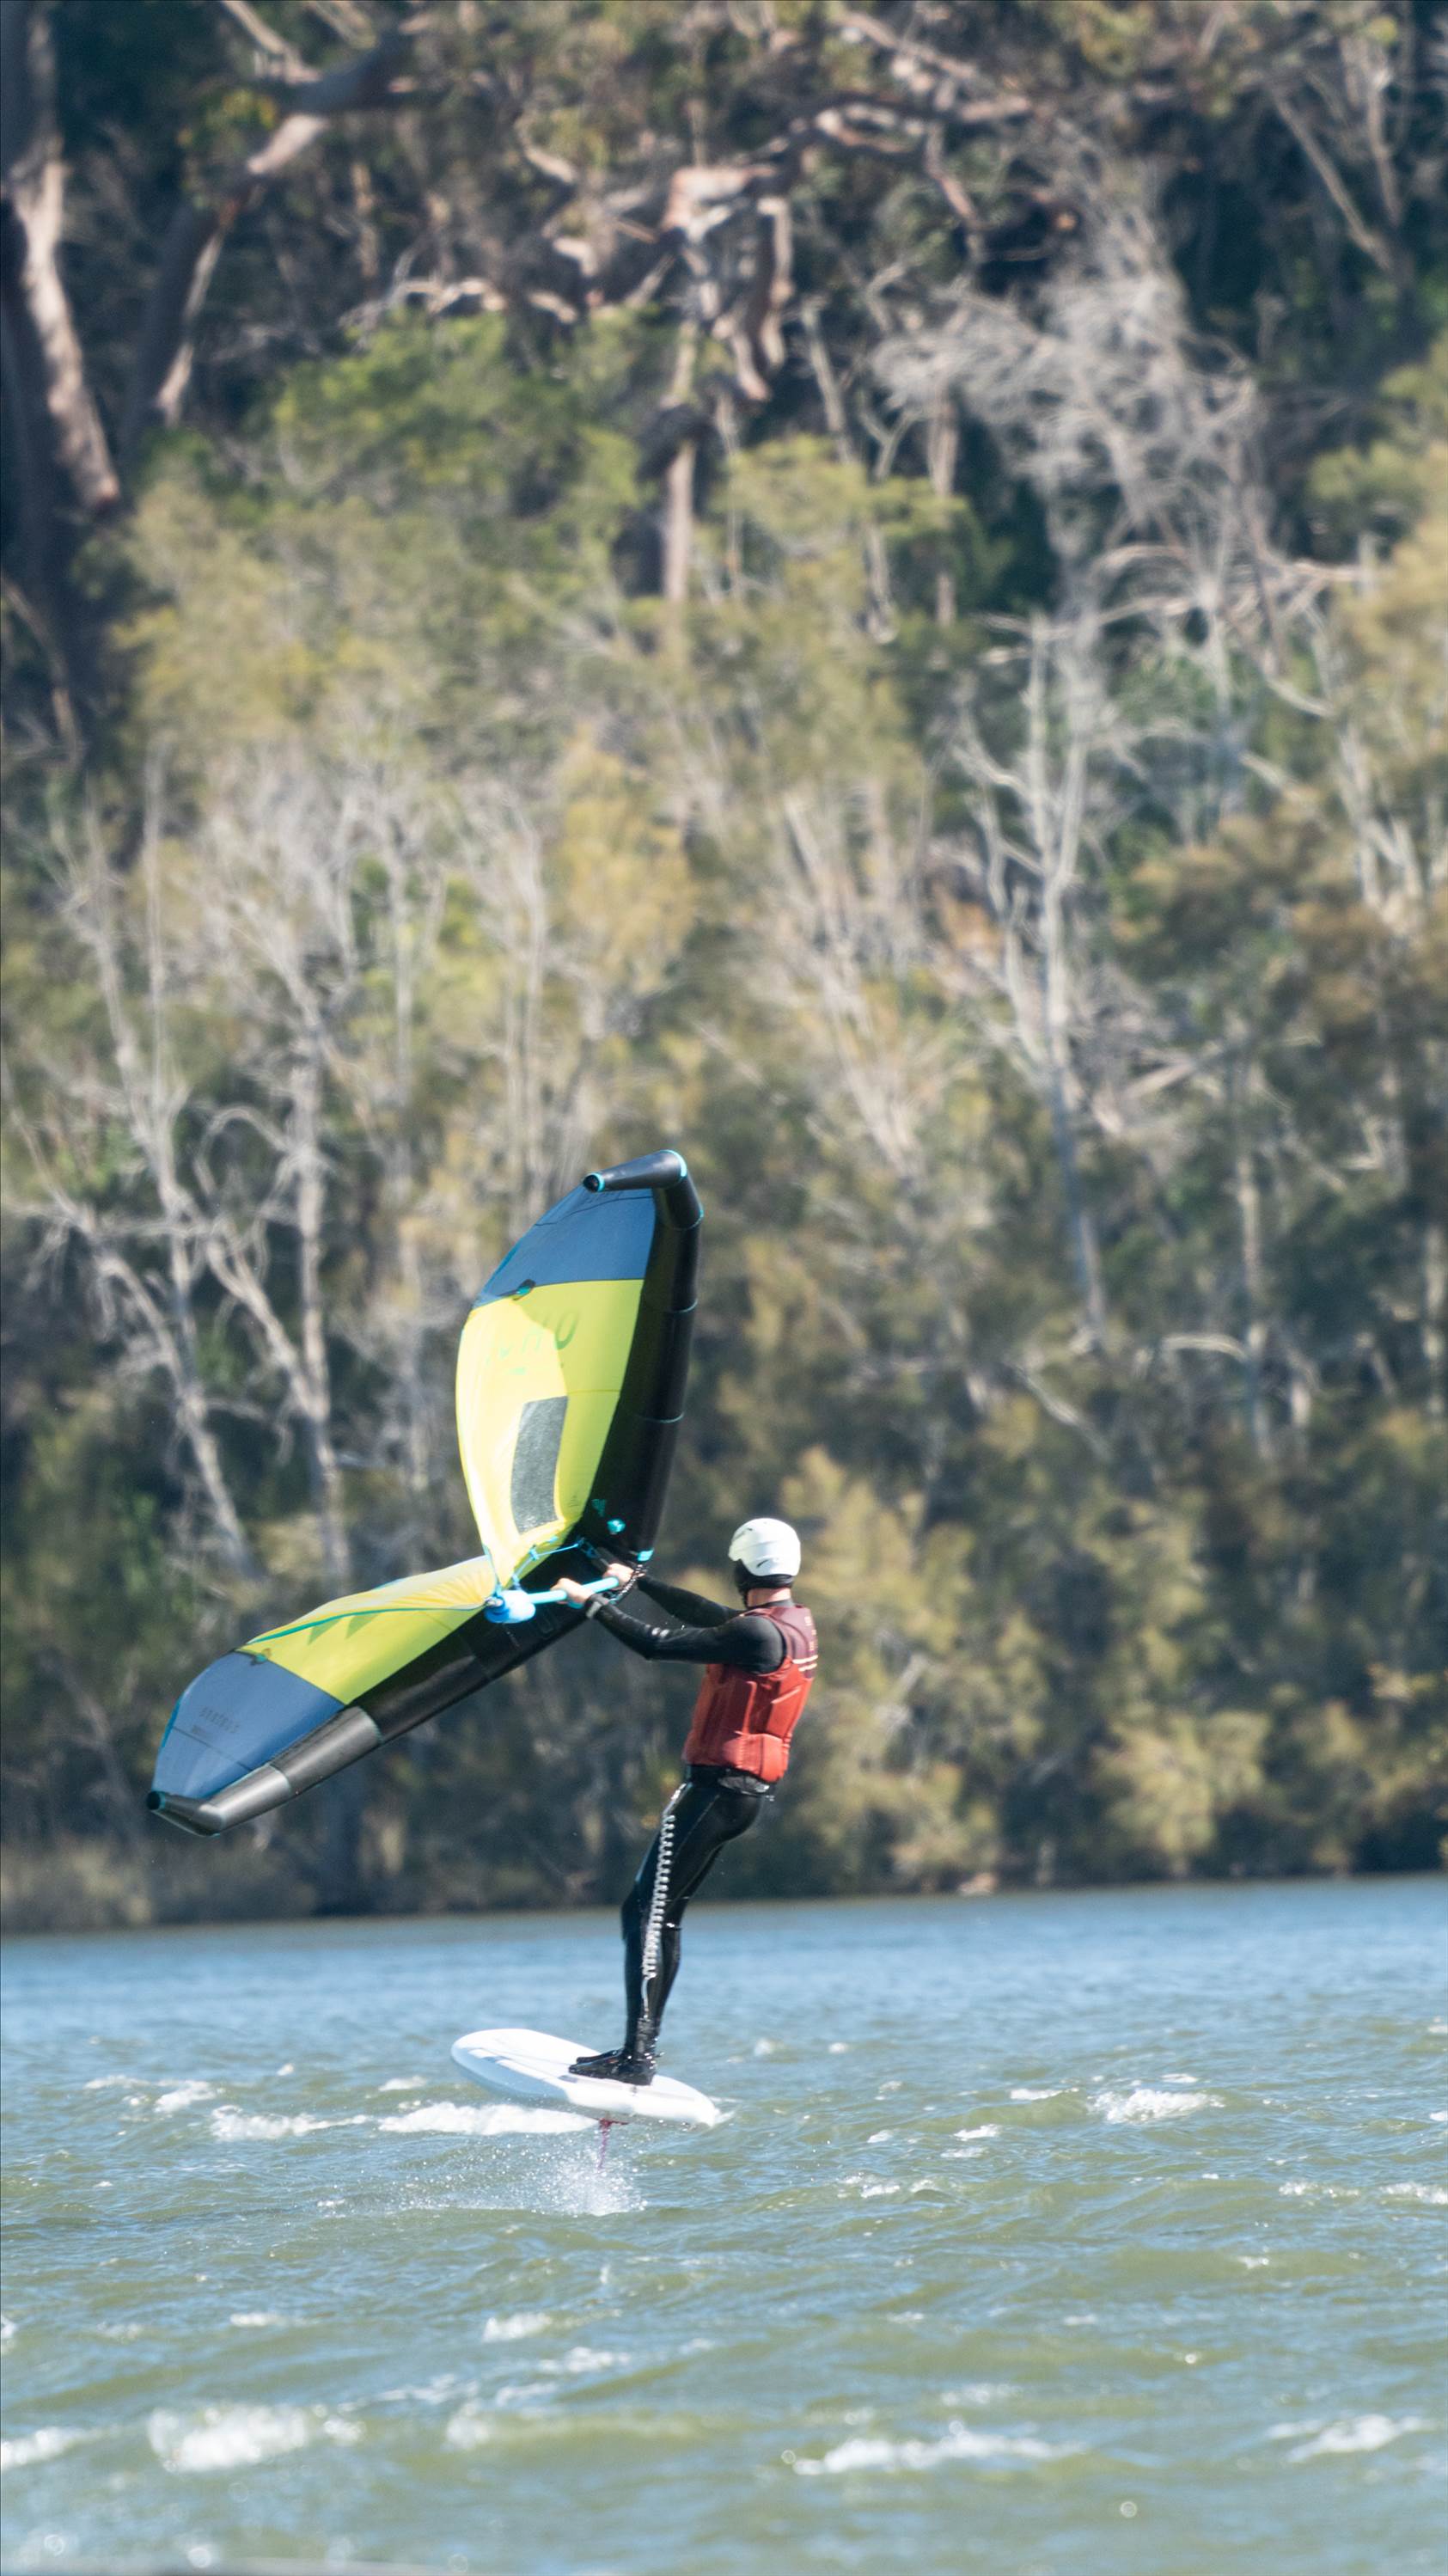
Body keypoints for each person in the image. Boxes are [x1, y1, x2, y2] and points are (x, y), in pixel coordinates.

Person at [553, 1517, 818, 2086]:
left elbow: (654, 1645)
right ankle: (637, 2050)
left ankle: (636, 2056)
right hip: (737, 1794)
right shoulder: (788, 1625)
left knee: (645, 1914)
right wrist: (639, 1582)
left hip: (714, 1792)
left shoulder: (756, 1634)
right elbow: (708, 1617)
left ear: (741, 1567)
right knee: (660, 1915)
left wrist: (587, 1603)